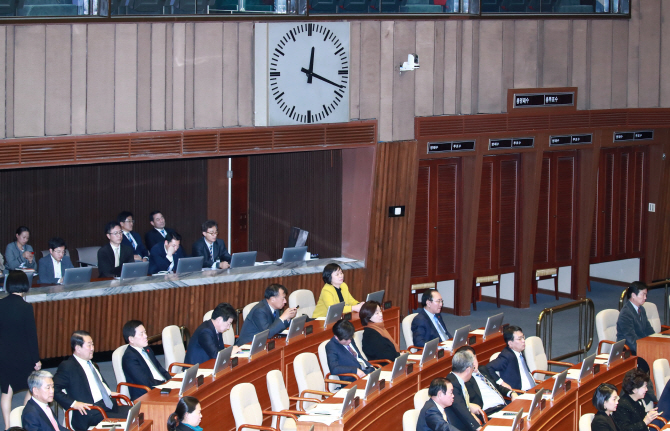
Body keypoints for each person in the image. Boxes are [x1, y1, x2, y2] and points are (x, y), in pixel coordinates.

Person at [53, 331, 130, 431]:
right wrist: (74, 403)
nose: (92, 348)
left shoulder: (91, 364)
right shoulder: (68, 366)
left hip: (106, 405)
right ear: (78, 348)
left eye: (92, 344)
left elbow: (97, 385)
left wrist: (108, 392)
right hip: (90, 412)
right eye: (89, 345)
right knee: (128, 421)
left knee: (139, 412)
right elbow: (53, 388)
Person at [0, 271, 41, 430]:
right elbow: (31, 336)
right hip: (23, 355)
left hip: (4, 355)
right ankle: (23, 421)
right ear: (25, 285)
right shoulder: (26, 307)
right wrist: (36, 359)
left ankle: (8, 426)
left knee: (6, 392)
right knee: (31, 389)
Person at [121, 320, 171, 400]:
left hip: (161, 387)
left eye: (145, 332)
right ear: (131, 339)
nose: (145, 336)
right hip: (146, 394)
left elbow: (160, 369)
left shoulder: (148, 350)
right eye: (141, 334)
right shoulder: (129, 357)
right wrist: (165, 384)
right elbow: (145, 382)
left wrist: (170, 380)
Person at [456, 346, 513, 415]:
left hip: (504, 407)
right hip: (489, 412)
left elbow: (496, 386)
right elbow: (460, 401)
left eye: (472, 358)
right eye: (467, 360)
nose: (471, 362)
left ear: (476, 357)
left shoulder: (483, 369)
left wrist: (511, 393)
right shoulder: (464, 381)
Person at [485, 325, 536, 391]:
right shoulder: (506, 356)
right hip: (519, 393)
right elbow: (488, 368)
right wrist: (501, 383)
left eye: (523, 337)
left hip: (532, 390)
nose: (523, 341)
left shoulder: (519, 352)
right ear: (510, 343)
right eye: (519, 339)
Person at [444, 349, 484, 431]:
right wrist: (478, 428)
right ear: (468, 370)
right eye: (473, 368)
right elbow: (461, 410)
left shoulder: (455, 379)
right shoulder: (452, 385)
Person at [616, 281, 655, 356]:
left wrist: (656, 341)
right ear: (633, 295)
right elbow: (631, 338)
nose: (645, 298)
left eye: (646, 295)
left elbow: (648, 329)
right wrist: (646, 350)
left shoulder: (641, 309)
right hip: (628, 350)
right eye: (643, 294)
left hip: (641, 343)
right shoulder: (626, 313)